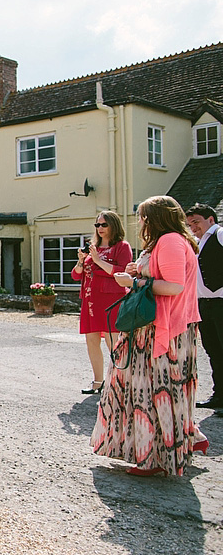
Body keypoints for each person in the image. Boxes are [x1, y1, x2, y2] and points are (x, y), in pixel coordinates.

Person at [91, 195, 208, 476]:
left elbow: (174, 286)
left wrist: (134, 281)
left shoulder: (169, 241)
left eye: (144, 216)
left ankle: (157, 457)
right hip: (165, 326)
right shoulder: (172, 241)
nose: (141, 222)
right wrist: (138, 270)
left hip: (163, 329)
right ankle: (189, 437)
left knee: (155, 392)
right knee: (166, 390)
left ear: (155, 218)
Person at [71, 211, 133, 394]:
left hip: (111, 299)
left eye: (104, 225)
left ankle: (119, 381)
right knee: (91, 340)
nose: (100, 229)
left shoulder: (122, 246)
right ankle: (98, 381)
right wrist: (82, 261)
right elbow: (76, 275)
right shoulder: (92, 247)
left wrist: (97, 260)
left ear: (114, 225)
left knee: (113, 340)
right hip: (90, 299)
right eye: (97, 225)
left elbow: (122, 272)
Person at [185, 203, 223, 411]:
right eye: (190, 224)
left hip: (220, 302)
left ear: (210, 219)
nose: (193, 227)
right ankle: (220, 395)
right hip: (204, 304)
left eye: (196, 222)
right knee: (213, 351)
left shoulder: (219, 234)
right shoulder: (197, 242)